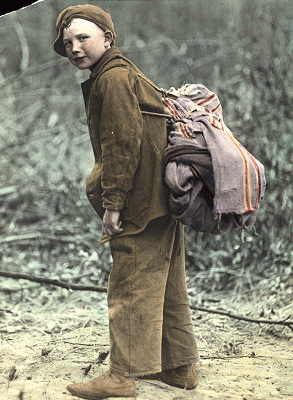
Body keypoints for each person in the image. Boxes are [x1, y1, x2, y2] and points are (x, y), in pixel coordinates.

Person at [53, 4, 199, 399]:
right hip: (162, 197)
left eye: (83, 37)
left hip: (140, 199)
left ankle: (122, 377)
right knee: (167, 282)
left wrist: (113, 205)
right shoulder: (124, 71)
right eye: (68, 42)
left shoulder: (113, 79)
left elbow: (121, 146)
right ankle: (181, 368)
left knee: (129, 284)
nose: (75, 48)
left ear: (108, 38)